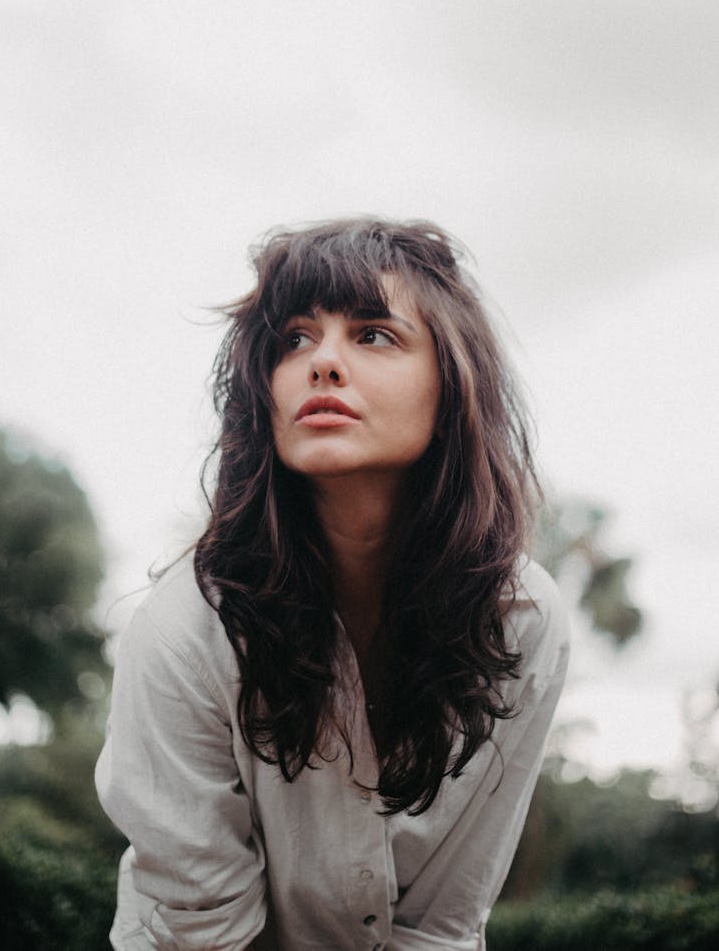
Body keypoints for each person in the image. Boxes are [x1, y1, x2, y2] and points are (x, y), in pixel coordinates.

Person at [95, 217, 569, 951]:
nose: (323, 362)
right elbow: (202, 933)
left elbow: (443, 922)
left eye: (374, 333)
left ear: (453, 384)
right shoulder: (187, 628)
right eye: (295, 338)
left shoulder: (522, 618)